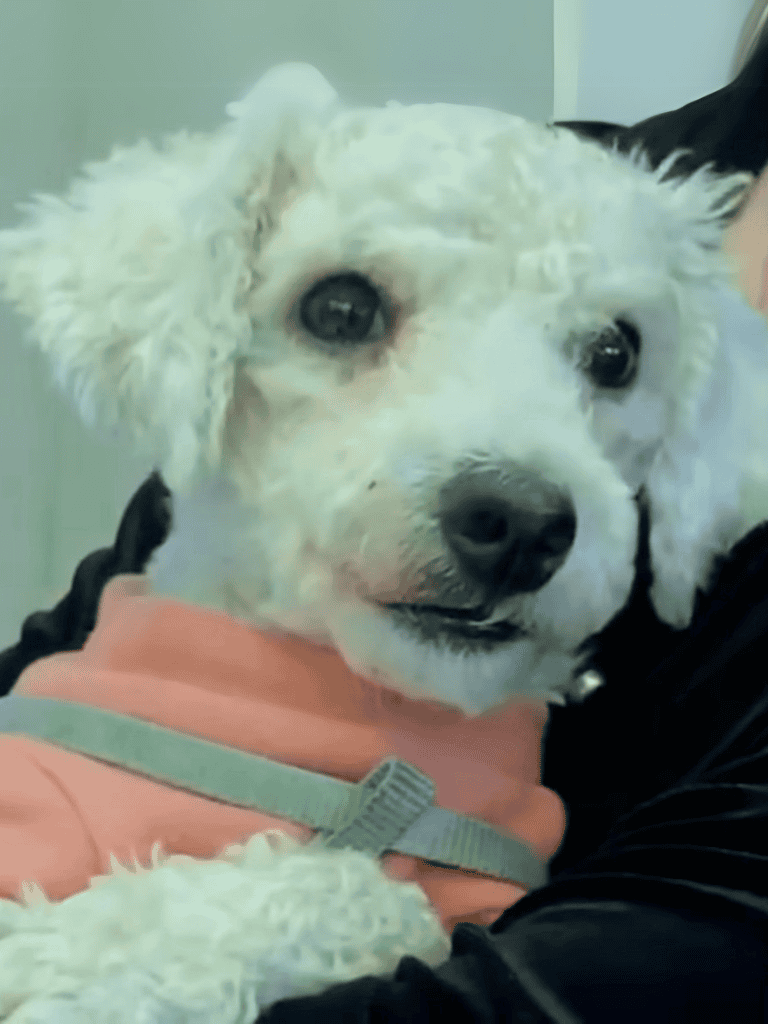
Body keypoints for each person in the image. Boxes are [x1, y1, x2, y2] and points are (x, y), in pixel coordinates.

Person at [3, 24, 768, 1024]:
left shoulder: (480, 838)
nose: (520, 503)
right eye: (347, 313)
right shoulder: (564, 169)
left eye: (610, 360)